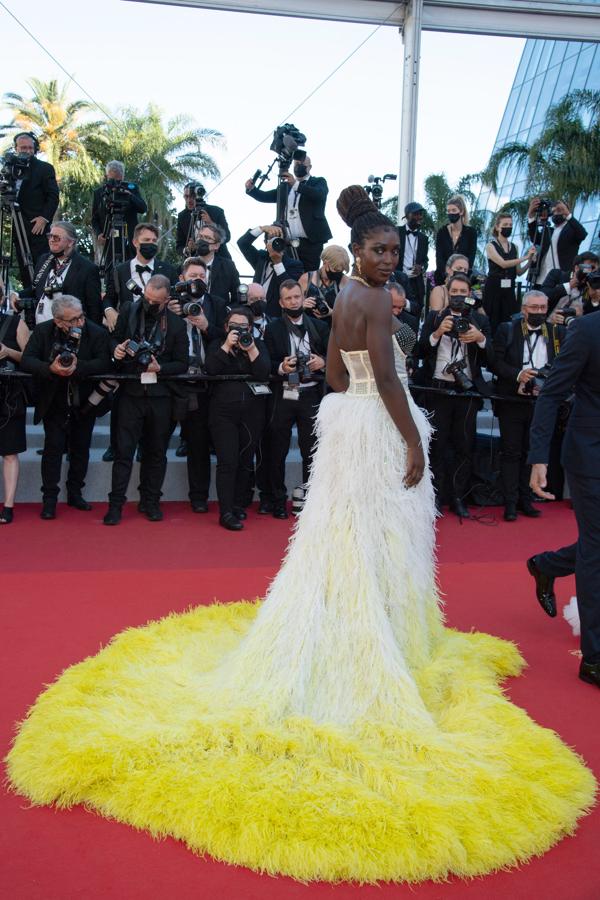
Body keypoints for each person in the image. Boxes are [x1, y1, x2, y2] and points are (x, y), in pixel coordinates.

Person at [9, 185, 595, 886]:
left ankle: (363, 614)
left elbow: (337, 371)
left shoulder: (346, 291)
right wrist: (413, 440)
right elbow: (383, 375)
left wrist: (370, 406)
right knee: (371, 535)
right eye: (376, 249)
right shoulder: (375, 299)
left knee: (350, 534)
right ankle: (371, 631)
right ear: (359, 250)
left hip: (346, 423)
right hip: (376, 426)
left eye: (392, 250)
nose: (386, 259)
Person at [527, 311, 600, 689]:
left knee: (595, 542)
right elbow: (553, 392)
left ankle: (547, 565)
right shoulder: (587, 330)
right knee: (597, 547)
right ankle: (594, 658)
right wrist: (539, 458)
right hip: (591, 454)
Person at [103, 275, 188, 526]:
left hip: (160, 397)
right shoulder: (129, 310)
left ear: (167, 300)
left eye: (155, 301)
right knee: (123, 452)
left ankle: (150, 501)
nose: (148, 303)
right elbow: (113, 339)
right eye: (146, 298)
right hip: (130, 393)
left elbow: (182, 363)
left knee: (157, 453)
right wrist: (116, 349)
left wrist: (160, 368)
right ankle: (115, 505)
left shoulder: (176, 324)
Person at [20, 295, 110, 519]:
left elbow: (104, 362)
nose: (80, 322)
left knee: (81, 449)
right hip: (54, 401)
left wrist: (78, 367)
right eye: (73, 320)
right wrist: (50, 368)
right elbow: (27, 360)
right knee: (52, 450)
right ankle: (49, 499)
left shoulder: (96, 332)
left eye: (81, 317)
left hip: (86, 401)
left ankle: (75, 494)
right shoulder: (43, 332)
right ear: (58, 321)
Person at [417, 273, 492, 517]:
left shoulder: (479, 320)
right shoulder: (434, 317)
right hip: (438, 388)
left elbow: (492, 357)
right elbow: (420, 351)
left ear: (470, 294)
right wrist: (437, 333)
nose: (459, 296)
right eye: (455, 292)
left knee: (464, 446)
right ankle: (436, 497)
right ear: (448, 294)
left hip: (467, 392)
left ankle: (459, 497)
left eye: (463, 292)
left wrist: (480, 339)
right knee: (437, 446)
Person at [492, 291, 565, 521]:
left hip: (542, 403)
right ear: (524, 309)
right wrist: (518, 375)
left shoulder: (556, 332)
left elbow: (562, 364)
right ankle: (510, 503)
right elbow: (495, 362)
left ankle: (527, 500)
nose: (539, 312)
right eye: (534, 308)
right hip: (512, 401)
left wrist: (547, 381)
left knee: (531, 452)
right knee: (511, 452)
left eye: (543, 308)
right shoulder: (507, 329)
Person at [263, 279, 328, 518]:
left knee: (310, 450)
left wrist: (323, 362)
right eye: (288, 298)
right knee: (277, 449)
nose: (293, 302)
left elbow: (335, 356)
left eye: (296, 297)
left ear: (303, 298)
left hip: (310, 394)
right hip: (283, 394)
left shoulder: (319, 326)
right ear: (281, 303)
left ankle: (311, 500)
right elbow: (266, 362)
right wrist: (282, 367)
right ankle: (277, 500)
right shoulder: (273, 328)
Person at [205, 307, 270, 530]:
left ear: (250, 328)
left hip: (252, 412)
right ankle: (225, 512)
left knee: (245, 461)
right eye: (234, 326)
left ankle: (237, 504)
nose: (238, 330)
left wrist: (250, 348)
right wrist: (226, 346)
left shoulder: (258, 345)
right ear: (226, 327)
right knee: (227, 461)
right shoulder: (217, 344)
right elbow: (211, 369)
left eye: (243, 326)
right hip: (223, 413)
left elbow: (263, 372)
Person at [169, 256, 225, 513]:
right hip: (176, 380)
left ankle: (211, 497)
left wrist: (206, 326)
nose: (197, 281)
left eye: (202, 277)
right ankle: (193, 497)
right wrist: (169, 315)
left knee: (209, 443)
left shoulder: (217, 304)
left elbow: (227, 338)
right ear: (182, 279)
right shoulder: (170, 303)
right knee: (191, 443)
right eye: (193, 277)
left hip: (208, 382)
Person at [245, 154, 332, 272]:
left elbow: (319, 194)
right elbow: (266, 196)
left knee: (309, 276)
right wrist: (252, 189)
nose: (298, 166)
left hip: (311, 242)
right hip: (288, 242)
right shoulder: (285, 187)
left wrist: (295, 184)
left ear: (309, 167)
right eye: (296, 164)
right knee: (289, 275)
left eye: (301, 164)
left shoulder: (318, 181)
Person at [16, 221, 103, 326]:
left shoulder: (87, 268)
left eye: (56, 237)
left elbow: (95, 310)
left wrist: (89, 334)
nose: (51, 240)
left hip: (69, 329)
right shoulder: (44, 259)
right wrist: (16, 295)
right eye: (50, 236)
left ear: (70, 242)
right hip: (41, 329)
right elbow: (35, 288)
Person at [11, 132, 60, 287]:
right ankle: (27, 296)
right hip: (17, 226)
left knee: (41, 267)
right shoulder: (10, 168)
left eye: (30, 148)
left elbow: (53, 196)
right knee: (23, 268)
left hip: (37, 227)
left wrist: (44, 218)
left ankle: (41, 296)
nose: (27, 151)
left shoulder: (44, 168)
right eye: (23, 148)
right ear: (16, 148)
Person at [0, 284, 30, 524]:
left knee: (10, 453)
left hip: (9, 397)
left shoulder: (16, 323)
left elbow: (30, 359)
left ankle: (8, 506)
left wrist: (8, 352)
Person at [483, 213, 535, 334]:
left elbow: (519, 272)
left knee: (509, 322)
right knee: (492, 321)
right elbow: (503, 264)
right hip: (494, 289)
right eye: (505, 225)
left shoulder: (514, 247)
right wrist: (525, 257)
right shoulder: (491, 246)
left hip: (509, 290)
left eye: (510, 225)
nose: (508, 227)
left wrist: (530, 260)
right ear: (497, 227)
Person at [237, 224, 304, 317]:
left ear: (284, 243)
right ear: (265, 243)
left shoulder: (295, 265)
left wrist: (278, 263)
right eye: (271, 239)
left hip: (275, 315)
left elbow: (289, 288)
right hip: (254, 311)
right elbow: (242, 243)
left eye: (278, 239)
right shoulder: (261, 257)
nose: (275, 243)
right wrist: (262, 229)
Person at [91, 161, 147, 266]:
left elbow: (143, 208)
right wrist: (99, 234)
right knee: (111, 268)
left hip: (130, 238)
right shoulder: (100, 193)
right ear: (107, 176)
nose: (115, 185)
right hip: (109, 239)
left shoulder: (131, 188)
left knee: (132, 267)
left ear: (123, 176)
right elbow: (94, 219)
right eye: (112, 180)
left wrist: (130, 195)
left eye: (118, 180)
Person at [527, 198, 588, 290]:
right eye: (553, 211)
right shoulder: (549, 230)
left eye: (559, 210)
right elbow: (534, 238)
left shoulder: (571, 229)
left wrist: (567, 214)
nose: (555, 213)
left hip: (561, 278)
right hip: (541, 278)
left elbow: (582, 234)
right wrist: (531, 216)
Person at [176, 182, 231, 259]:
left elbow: (227, 237)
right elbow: (179, 246)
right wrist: (188, 249)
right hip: (194, 261)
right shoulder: (182, 216)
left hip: (219, 260)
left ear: (199, 194)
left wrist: (211, 223)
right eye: (186, 196)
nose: (189, 200)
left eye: (192, 196)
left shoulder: (216, 211)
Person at [542, 251, 599, 322]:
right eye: (589, 268)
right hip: (547, 323)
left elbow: (593, 316)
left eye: (595, 271)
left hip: (573, 326)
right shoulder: (557, 275)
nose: (591, 272)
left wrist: (595, 299)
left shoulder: (592, 286)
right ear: (577, 268)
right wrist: (569, 286)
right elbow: (543, 296)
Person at [395, 201, 429, 320]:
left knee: (415, 314)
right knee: (397, 312)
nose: (419, 217)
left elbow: (425, 260)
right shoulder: (396, 232)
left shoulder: (424, 239)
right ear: (407, 215)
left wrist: (421, 267)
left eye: (421, 214)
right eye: (416, 214)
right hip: (399, 279)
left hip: (416, 283)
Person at [434, 195, 477, 285]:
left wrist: (460, 275)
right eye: (448, 211)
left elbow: (471, 257)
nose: (451, 213)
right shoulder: (442, 232)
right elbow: (439, 257)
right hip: (443, 278)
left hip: (463, 277)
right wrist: (448, 274)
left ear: (461, 211)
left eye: (454, 210)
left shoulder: (471, 233)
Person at [194, 223, 240, 307]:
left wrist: (227, 311)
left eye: (207, 238)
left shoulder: (228, 267)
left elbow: (237, 297)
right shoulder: (186, 264)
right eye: (200, 236)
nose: (202, 240)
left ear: (216, 246)